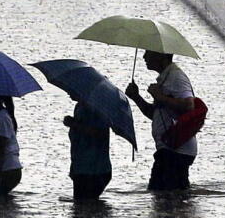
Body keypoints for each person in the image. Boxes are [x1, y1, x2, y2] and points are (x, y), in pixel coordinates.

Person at [125, 50, 197, 191]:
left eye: (148, 52)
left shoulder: (176, 77)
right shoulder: (165, 78)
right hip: (169, 149)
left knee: (163, 195)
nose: (144, 56)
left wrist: (160, 96)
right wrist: (136, 97)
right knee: (168, 196)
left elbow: (190, 106)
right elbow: (156, 114)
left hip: (175, 151)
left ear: (162, 56)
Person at [62, 91, 112, 201]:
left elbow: (99, 133)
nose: (68, 91)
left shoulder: (97, 108)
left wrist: (74, 124)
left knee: (84, 205)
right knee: (85, 207)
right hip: (82, 168)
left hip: (94, 171)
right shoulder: (79, 106)